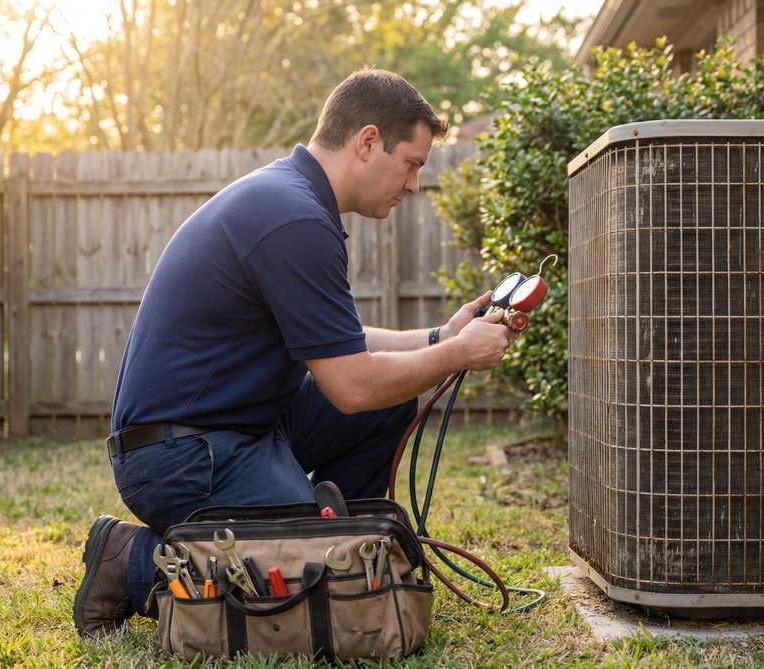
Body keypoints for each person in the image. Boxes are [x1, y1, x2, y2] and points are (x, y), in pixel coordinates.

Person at [73, 68, 513, 637]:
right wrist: (458, 357)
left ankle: (346, 558)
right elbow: (351, 385)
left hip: (241, 429)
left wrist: (441, 339)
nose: (414, 186)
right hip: (181, 456)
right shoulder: (294, 216)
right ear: (368, 141)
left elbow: (341, 343)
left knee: (390, 406)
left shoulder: (293, 199)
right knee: (299, 574)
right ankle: (129, 560)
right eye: (412, 164)